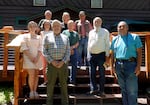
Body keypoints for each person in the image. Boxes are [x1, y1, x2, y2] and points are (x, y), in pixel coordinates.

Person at [110, 21, 142, 105]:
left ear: (127, 28)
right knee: (123, 89)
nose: (121, 28)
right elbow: (112, 54)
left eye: (123, 26)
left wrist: (138, 66)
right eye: (119, 27)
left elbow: (139, 52)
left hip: (131, 65)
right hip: (118, 65)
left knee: (131, 90)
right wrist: (112, 66)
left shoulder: (135, 37)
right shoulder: (115, 39)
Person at [43, 19, 70, 105]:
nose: (56, 27)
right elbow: (44, 51)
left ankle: (65, 102)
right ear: (52, 27)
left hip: (63, 64)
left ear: (61, 27)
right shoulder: (47, 37)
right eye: (54, 26)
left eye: (58, 26)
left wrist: (63, 61)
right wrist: (52, 61)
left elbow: (68, 51)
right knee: (50, 85)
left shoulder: (65, 37)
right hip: (51, 65)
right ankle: (49, 102)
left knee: (64, 85)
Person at [87, 17, 110, 96]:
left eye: (98, 21)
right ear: (93, 23)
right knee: (92, 73)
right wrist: (88, 55)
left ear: (101, 23)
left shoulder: (105, 32)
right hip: (91, 55)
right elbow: (89, 44)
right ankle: (94, 89)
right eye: (95, 22)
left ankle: (102, 90)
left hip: (101, 55)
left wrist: (107, 57)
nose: (96, 23)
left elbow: (107, 45)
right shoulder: (90, 32)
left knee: (102, 73)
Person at [20, 21, 43, 98]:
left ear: (36, 28)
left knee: (36, 75)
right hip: (28, 58)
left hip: (37, 58)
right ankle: (31, 91)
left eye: (34, 26)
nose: (33, 28)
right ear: (29, 27)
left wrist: (36, 58)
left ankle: (35, 91)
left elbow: (41, 47)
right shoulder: (25, 37)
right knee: (32, 74)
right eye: (31, 26)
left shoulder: (39, 37)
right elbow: (24, 48)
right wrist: (31, 58)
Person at [62, 20, 79, 85]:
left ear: (74, 26)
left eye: (72, 25)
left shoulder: (76, 33)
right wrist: (69, 49)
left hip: (74, 51)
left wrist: (72, 48)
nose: (70, 26)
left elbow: (77, 43)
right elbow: (63, 42)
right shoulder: (64, 32)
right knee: (65, 66)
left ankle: (73, 80)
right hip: (65, 51)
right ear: (67, 25)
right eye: (69, 25)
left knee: (74, 66)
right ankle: (65, 80)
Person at [40, 19, 52, 84]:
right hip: (44, 51)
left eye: (48, 24)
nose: (47, 25)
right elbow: (41, 42)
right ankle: (45, 80)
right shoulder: (42, 33)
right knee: (44, 66)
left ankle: (51, 80)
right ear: (43, 25)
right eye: (45, 24)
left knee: (50, 66)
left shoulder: (52, 32)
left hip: (51, 51)